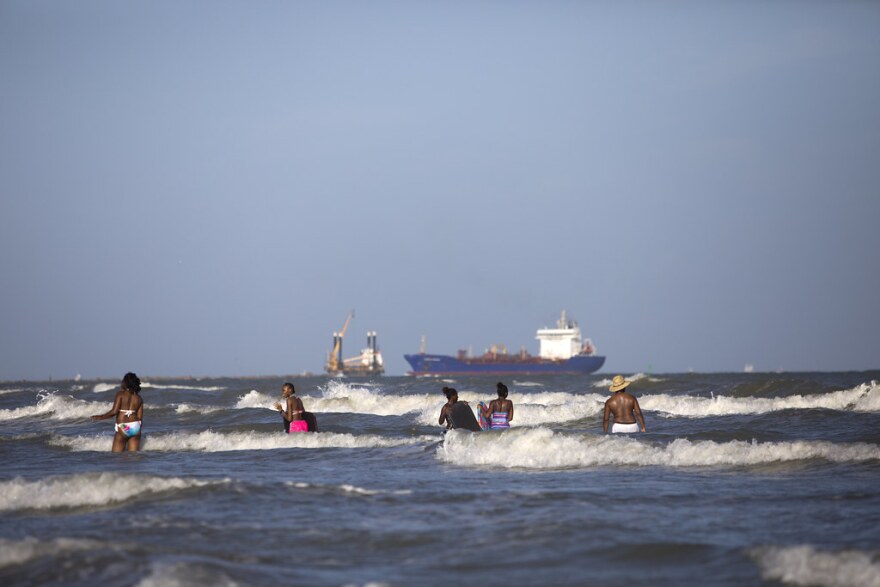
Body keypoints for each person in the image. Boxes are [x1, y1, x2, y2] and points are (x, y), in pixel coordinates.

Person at [91, 372, 144, 452]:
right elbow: (140, 418)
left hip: (123, 426)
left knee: (117, 457)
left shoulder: (120, 394)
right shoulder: (139, 398)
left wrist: (100, 417)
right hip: (136, 427)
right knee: (134, 457)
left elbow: (114, 412)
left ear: (125, 383)